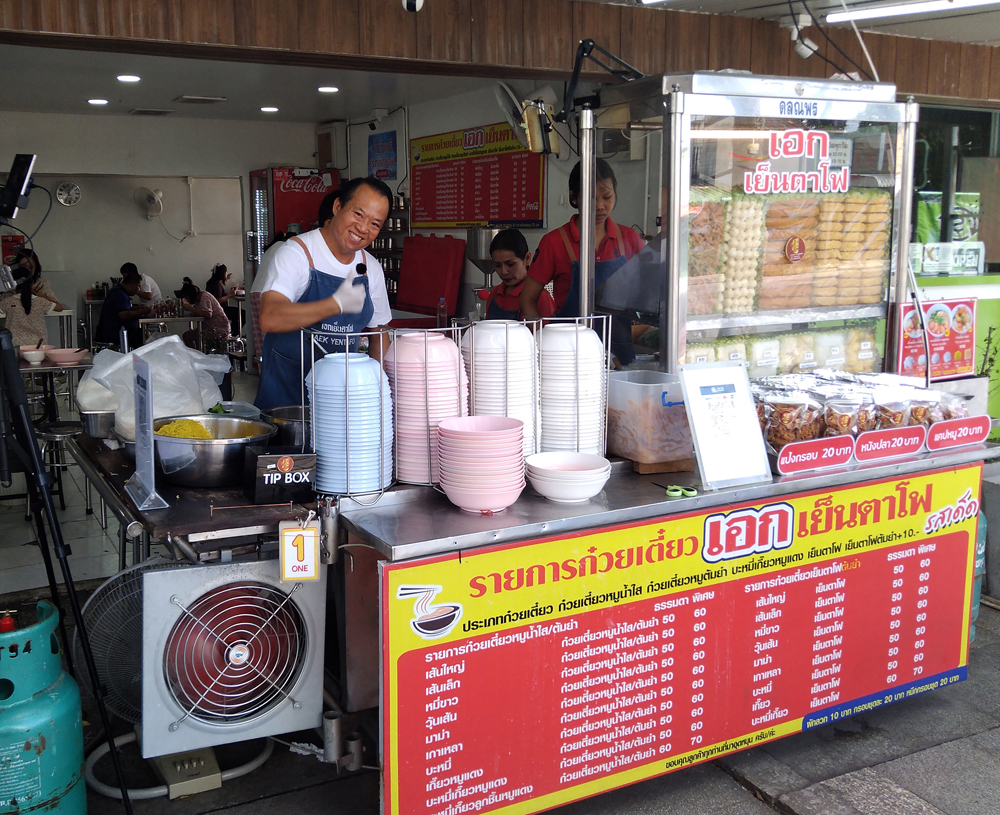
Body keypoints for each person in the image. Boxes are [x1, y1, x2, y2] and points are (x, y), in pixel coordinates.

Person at [256, 177, 393, 411]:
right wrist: (335, 304)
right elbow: (270, 317)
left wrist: (376, 389)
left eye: (375, 223)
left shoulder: (371, 268)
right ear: (338, 207)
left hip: (340, 401)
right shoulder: (297, 253)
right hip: (287, 402)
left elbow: (379, 333)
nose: (363, 228)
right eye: (358, 214)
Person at [520, 159, 644, 364]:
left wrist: (635, 332)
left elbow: (649, 299)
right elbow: (527, 300)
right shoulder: (555, 242)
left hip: (620, 356)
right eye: (591, 199)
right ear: (574, 197)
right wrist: (545, 342)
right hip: (568, 355)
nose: (601, 206)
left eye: (607, 197)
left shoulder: (629, 238)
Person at [480, 229, 555, 320]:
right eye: (498, 265)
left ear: (527, 258)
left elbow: (546, 333)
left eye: (510, 264)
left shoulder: (539, 297)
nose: (504, 272)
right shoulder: (494, 294)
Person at [0, 249, 63, 347]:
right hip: (36, 344)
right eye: (23, 267)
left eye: (31, 267)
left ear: (36, 267)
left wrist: (40, 296)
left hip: (15, 343)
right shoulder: (7, 287)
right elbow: (59, 307)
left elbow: (56, 304)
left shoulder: (42, 283)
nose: (27, 270)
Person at [95, 267, 151, 348]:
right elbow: (124, 315)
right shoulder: (120, 294)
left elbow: (120, 309)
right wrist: (143, 311)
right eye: (138, 286)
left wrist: (137, 308)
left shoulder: (116, 290)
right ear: (132, 284)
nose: (138, 289)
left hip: (111, 333)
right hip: (114, 336)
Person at [176, 277, 230, 348]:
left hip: (218, 328)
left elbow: (207, 314)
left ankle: (198, 355)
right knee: (189, 336)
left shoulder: (205, 297)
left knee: (190, 336)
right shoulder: (199, 299)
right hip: (208, 327)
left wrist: (191, 309)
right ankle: (198, 355)